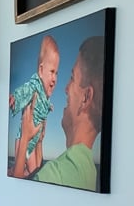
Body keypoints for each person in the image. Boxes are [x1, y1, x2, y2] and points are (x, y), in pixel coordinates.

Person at [13, 35, 104, 191]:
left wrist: (25, 140)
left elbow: (16, 195)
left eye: (72, 78)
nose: (65, 88)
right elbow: (37, 174)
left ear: (86, 98)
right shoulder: (89, 170)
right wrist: (39, 142)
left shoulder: (55, 175)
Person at [9, 34, 60, 175]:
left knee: (35, 170)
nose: (54, 78)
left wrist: (49, 107)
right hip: (25, 139)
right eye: (52, 72)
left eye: (57, 73)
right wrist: (14, 97)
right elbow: (24, 90)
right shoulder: (35, 85)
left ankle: (20, 170)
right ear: (41, 70)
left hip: (34, 139)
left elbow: (44, 106)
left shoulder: (45, 96)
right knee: (33, 172)